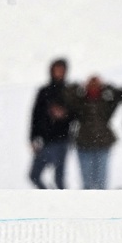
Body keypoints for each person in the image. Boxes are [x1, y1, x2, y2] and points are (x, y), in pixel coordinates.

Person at [29, 58, 80, 189]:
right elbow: (35, 116)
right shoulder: (44, 91)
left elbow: (77, 114)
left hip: (62, 140)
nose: (59, 73)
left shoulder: (69, 91)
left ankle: (62, 202)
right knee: (34, 175)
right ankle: (50, 197)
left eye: (61, 70)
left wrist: (64, 114)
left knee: (59, 178)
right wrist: (33, 137)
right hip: (45, 140)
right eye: (56, 69)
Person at [74, 75, 122, 190]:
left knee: (101, 183)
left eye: (96, 84)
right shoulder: (81, 101)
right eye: (91, 84)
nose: (93, 87)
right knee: (87, 183)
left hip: (102, 144)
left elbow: (119, 95)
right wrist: (80, 89)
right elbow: (69, 99)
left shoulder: (105, 102)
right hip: (84, 144)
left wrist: (106, 87)